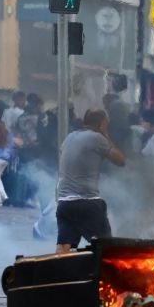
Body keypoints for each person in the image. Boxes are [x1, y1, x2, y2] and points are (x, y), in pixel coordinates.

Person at [55, 108, 126, 253]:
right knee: (107, 248)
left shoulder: (70, 137)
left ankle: (56, 274)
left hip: (64, 203)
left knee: (64, 246)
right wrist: (106, 136)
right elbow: (121, 160)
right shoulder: (97, 138)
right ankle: (108, 275)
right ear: (103, 124)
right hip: (87, 202)